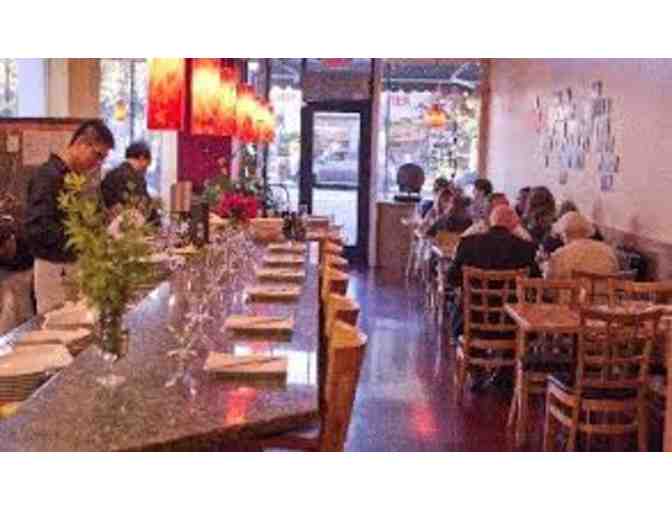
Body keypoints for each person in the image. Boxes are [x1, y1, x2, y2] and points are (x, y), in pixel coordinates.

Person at [25, 119, 115, 315]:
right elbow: (38, 230)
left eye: (103, 158)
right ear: (81, 143)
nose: (98, 163)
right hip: (54, 269)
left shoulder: (71, 177)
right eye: (98, 155)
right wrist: (84, 241)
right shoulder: (48, 177)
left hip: (70, 267)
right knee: (55, 329)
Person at [545, 211, 619, 280]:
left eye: (561, 235)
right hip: (605, 289)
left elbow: (549, 283)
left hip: (574, 290)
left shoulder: (560, 256)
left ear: (565, 234)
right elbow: (616, 275)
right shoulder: (607, 251)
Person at [101, 141, 159, 225]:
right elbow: (146, 206)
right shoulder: (135, 177)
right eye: (148, 163)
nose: (146, 169)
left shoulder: (111, 174)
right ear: (142, 158)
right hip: (127, 226)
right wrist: (158, 223)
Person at [460, 192, 532, 242]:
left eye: (506, 206)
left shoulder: (519, 233)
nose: (506, 210)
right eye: (500, 207)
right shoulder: (475, 231)